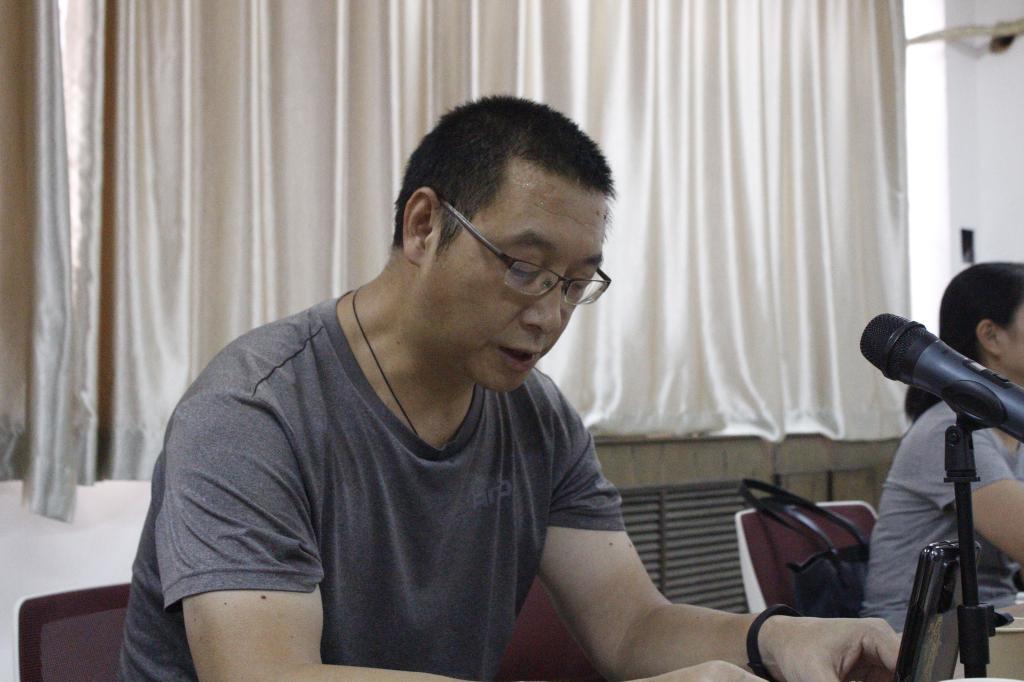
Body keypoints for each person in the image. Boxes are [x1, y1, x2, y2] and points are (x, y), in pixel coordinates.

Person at [119, 96, 897, 681]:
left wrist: (776, 637)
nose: (549, 315)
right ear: (424, 226)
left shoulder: (537, 417)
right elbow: (267, 677)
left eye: (576, 284)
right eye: (524, 268)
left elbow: (630, 628)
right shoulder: (255, 410)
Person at [863, 262, 1024, 630]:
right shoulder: (949, 430)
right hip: (916, 636)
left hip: (991, 619)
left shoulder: (1012, 429)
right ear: (991, 336)